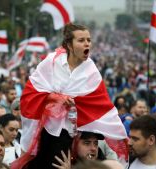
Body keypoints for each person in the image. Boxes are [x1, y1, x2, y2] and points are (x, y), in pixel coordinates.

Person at [12, 23, 127, 169]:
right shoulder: (51, 62)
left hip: (71, 137)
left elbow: (103, 107)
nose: (87, 44)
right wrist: (54, 98)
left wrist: (121, 134)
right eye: (81, 40)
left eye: (88, 40)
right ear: (69, 45)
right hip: (44, 132)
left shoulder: (91, 70)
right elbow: (31, 92)